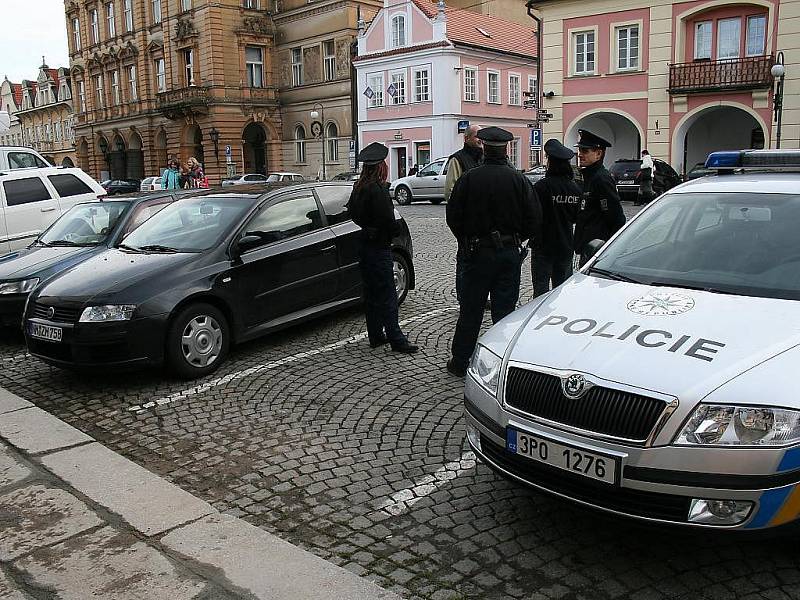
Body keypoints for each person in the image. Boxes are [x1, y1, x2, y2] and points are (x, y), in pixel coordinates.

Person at [446, 126, 542, 377]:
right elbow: (534, 218)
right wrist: (518, 238)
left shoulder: (469, 179)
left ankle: (460, 360)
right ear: (506, 149)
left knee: (471, 310)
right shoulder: (519, 180)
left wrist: (465, 239)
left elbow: (453, 216)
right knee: (504, 312)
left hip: (476, 253)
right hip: (508, 253)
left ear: (484, 148)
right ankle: (501, 364)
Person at [347, 142, 418, 354]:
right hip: (379, 248)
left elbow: (353, 213)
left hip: (365, 245)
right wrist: (393, 229)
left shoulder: (358, 187)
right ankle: (396, 339)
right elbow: (389, 220)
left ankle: (376, 335)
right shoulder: (377, 190)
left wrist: (367, 227)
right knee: (387, 294)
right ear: (380, 166)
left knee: (371, 293)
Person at [531, 139, 582, 297]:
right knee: (562, 290)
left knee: (540, 291)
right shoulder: (575, 188)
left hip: (543, 244)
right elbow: (576, 217)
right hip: (565, 244)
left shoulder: (541, 187)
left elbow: (533, 215)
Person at [573, 129, 626, 267]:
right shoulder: (589, 176)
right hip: (588, 247)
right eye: (580, 151)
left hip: (598, 248)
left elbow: (615, 216)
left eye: (585, 151)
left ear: (598, 153)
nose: (580, 155)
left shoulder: (601, 178)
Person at [444, 124, 483, 305]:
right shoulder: (457, 160)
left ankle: (480, 296)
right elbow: (450, 192)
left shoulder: (484, 158)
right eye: (477, 136)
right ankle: (464, 297)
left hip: (482, 221)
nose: (480, 140)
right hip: (466, 222)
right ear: (466, 138)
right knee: (465, 261)